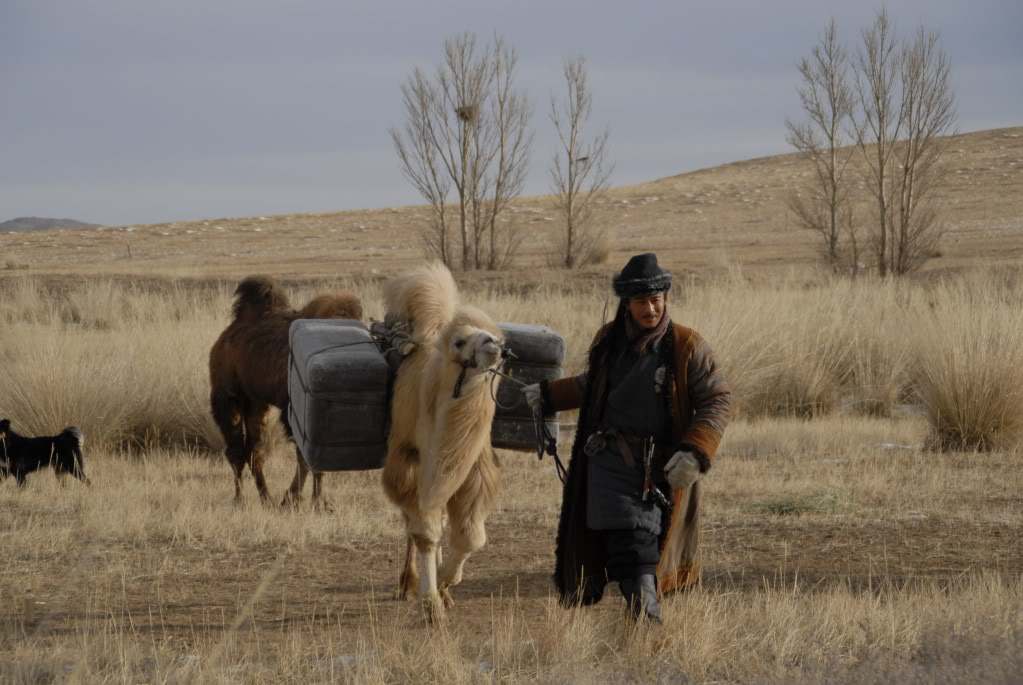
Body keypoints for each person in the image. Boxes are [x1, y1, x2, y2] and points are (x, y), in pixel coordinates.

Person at [522, 253, 731, 622]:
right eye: (641, 301)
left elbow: (717, 398)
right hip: (607, 460)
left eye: (656, 299)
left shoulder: (687, 345)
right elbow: (594, 386)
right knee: (628, 546)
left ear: (665, 298)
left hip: (662, 466)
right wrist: (551, 395)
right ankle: (646, 624)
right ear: (627, 303)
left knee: (642, 545)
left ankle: (644, 622)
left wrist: (696, 452)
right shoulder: (608, 340)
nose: (650, 308)